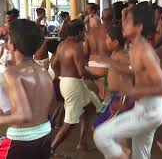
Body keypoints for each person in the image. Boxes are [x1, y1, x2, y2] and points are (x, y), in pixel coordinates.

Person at [94, 4, 162, 159]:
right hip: (145, 108)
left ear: (139, 27)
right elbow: (143, 82)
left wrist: (133, 92)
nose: (123, 24)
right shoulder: (135, 48)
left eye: (127, 21)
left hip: (150, 111)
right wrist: (128, 103)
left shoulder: (145, 51)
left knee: (102, 136)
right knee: (141, 155)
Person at [0, 19, 53, 158]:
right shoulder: (44, 72)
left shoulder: (12, 73)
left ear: (12, 45)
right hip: (44, 134)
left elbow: (23, 115)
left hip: (20, 140)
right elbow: (50, 107)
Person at [50, 19, 101, 154]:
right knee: (70, 123)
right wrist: (97, 77)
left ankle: (82, 143)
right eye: (83, 31)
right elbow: (82, 72)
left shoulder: (62, 45)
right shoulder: (76, 47)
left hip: (68, 83)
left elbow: (54, 64)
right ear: (79, 32)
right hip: (73, 85)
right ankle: (51, 149)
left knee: (90, 108)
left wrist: (61, 76)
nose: (85, 33)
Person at [93, 25, 134, 128]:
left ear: (115, 42)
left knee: (99, 127)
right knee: (114, 129)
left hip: (121, 96)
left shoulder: (123, 54)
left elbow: (131, 69)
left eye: (107, 38)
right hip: (115, 96)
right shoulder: (116, 52)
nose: (105, 41)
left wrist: (108, 60)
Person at [84, 8, 114, 99]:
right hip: (107, 68)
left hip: (91, 68)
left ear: (101, 18)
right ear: (113, 19)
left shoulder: (90, 33)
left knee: (94, 100)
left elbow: (85, 53)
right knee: (106, 100)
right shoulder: (113, 33)